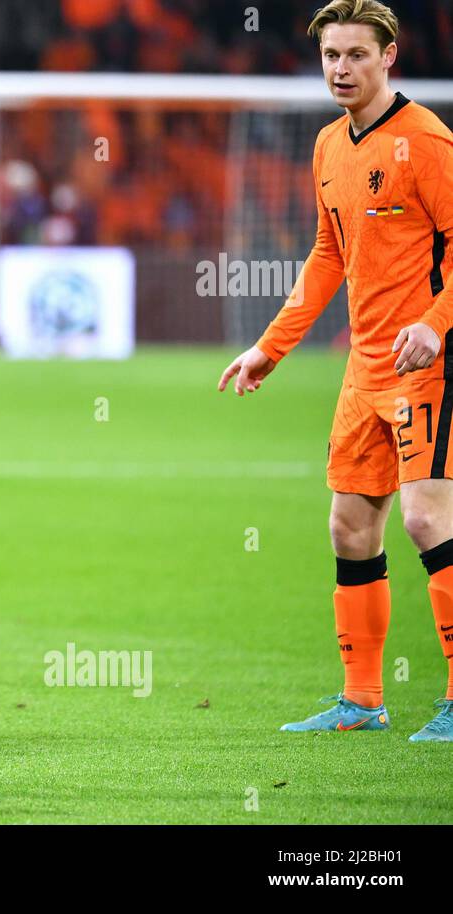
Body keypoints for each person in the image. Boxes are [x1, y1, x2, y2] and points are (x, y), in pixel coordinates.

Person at [218, 0, 453, 741]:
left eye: (356, 54)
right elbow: (328, 255)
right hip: (364, 370)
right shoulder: (327, 145)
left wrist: (436, 325)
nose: (341, 69)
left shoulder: (427, 141)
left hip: (427, 366)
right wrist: (270, 347)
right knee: (351, 528)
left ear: (390, 55)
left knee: (425, 517)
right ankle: (362, 703)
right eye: (330, 56)